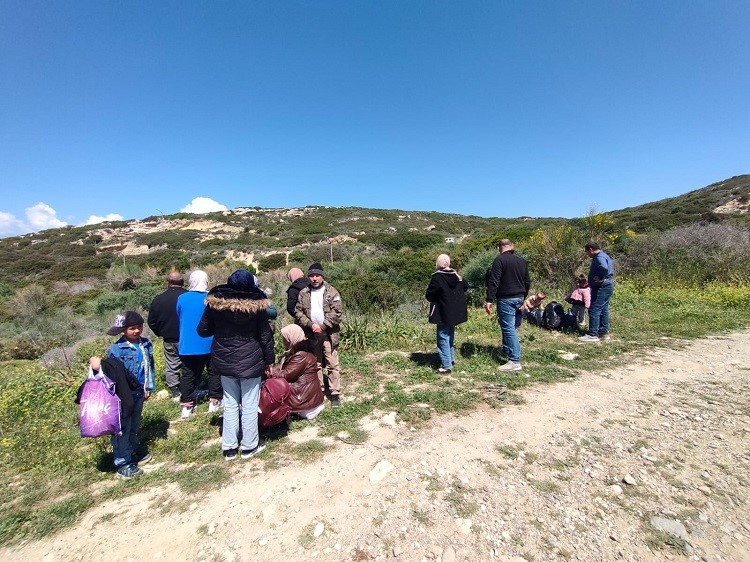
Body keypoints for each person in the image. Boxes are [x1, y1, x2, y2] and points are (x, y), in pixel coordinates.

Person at [198, 269, 275, 460]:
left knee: (230, 403)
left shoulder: (216, 303)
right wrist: (269, 361)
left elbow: (203, 330)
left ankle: (230, 448)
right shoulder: (257, 304)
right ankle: (249, 446)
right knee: (249, 404)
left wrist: (221, 328)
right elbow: (265, 337)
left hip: (224, 359)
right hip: (251, 359)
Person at [89, 311, 155, 479]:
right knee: (122, 428)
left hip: (139, 392)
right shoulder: (116, 349)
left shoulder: (146, 344)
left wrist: (148, 387)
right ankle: (122, 462)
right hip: (124, 395)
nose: (137, 331)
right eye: (132, 328)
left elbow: (149, 366)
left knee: (134, 424)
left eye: (139, 327)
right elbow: (112, 373)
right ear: (123, 330)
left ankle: (131, 450)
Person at [294, 263, 343, 408]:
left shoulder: (331, 291)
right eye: (311, 276)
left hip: (328, 333)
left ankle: (335, 393)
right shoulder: (303, 293)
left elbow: (337, 313)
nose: (314, 278)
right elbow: (298, 312)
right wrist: (310, 325)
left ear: (322, 276)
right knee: (316, 364)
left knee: (332, 363)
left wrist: (322, 326)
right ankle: (319, 391)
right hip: (311, 334)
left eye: (317, 275)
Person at [485, 239, 531, 371]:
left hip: (506, 298)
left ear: (499, 248)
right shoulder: (521, 260)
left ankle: (515, 360)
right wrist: (523, 297)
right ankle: (506, 349)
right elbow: (527, 281)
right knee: (508, 325)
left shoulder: (499, 260)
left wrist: (489, 300)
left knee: (508, 328)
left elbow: (494, 281)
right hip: (519, 296)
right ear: (512, 246)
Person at [176, 270, 217, 418]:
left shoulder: (182, 298)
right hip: (209, 342)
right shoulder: (211, 298)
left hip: (188, 343)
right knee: (214, 372)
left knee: (188, 374)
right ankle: (214, 401)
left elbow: (179, 315)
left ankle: (187, 406)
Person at [268, 324, 325, 419]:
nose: (283, 341)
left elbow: (286, 375)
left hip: (304, 401)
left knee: (272, 388)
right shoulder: (298, 352)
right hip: (307, 398)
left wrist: (270, 372)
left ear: (291, 338)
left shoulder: (301, 355)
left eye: (285, 338)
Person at [425, 254, 468, 374]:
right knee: (450, 335)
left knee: (443, 336)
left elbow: (430, 295)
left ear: (437, 264)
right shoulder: (456, 275)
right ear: (449, 263)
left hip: (442, 311)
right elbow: (465, 286)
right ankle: (450, 359)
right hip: (455, 311)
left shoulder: (437, 277)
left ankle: (446, 366)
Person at [147, 271, 186, 401]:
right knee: (189, 364)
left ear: (168, 282)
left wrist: (161, 332)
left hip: (169, 338)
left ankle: (175, 391)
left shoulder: (158, 299)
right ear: (182, 282)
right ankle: (189, 388)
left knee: (172, 364)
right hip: (187, 338)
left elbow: (151, 321)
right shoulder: (187, 297)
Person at [579, 242, 615, 342]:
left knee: (594, 309)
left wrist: (600, 277)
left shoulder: (599, 257)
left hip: (601, 287)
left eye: (587, 252)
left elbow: (603, 267)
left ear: (590, 249)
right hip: (606, 286)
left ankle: (592, 334)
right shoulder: (604, 255)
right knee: (603, 309)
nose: (587, 254)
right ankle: (603, 333)